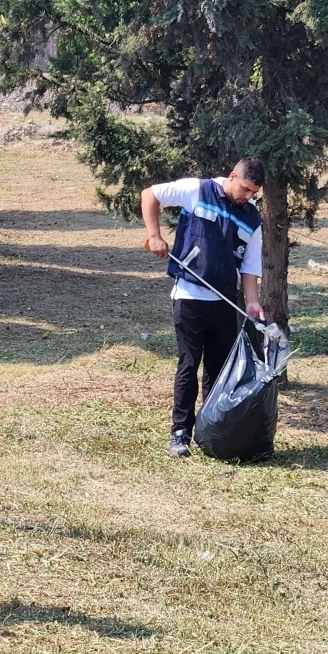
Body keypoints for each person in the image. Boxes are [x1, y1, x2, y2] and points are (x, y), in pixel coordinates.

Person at [140, 158, 265, 458]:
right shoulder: (198, 190)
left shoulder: (252, 218)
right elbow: (150, 194)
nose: (248, 196)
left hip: (224, 302)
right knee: (189, 365)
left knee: (217, 371)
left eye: (254, 193)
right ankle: (180, 433)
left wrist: (251, 300)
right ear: (232, 176)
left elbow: (249, 267)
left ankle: (209, 432)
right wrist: (155, 235)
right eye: (245, 189)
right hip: (189, 297)